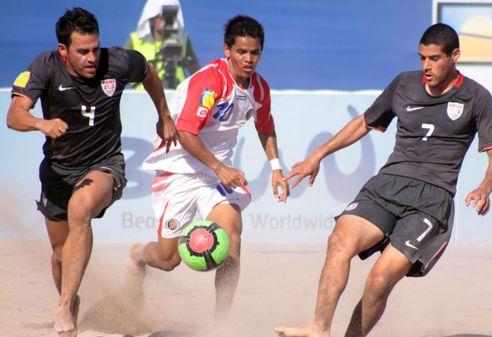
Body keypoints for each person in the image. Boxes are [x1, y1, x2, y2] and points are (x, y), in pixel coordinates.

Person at [274, 23, 492, 337]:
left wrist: (485, 187)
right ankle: (318, 326)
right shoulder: (404, 84)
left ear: (455, 56)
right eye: (423, 57)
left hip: (431, 201)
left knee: (380, 279)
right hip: (387, 185)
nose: (426, 66)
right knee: (338, 242)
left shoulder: (477, 97)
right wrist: (318, 155)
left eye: (435, 59)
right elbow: (364, 123)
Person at [6, 7, 177, 336]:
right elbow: (14, 116)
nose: (91, 57)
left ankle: (64, 306)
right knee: (59, 253)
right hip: (57, 171)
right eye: (82, 51)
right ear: (63, 51)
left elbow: (149, 72)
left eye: (95, 48)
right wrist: (41, 123)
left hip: (104, 164)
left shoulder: (117, 62)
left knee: (80, 208)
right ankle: (72, 300)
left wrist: (165, 115)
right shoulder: (45, 67)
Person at [128, 15, 289, 322]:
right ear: (227, 50)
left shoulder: (260, 88)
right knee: (168, 259)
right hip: (178, 171)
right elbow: (186, 132)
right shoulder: (210, 81)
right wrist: (220, 167)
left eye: (254, 53)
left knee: (232, 240)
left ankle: (221, 324)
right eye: (242, 52)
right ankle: (137, 254)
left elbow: (265, 126)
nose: (249, 59)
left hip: (216, 175)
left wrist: (276, 168)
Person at [125, 0, 200, 89]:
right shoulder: (135, 40)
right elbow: (121, 72)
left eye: (170, 18)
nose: (167, 21)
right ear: (152, 18)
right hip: (143, 97)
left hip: (177, 96)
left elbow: (196, 72)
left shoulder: (182, 39)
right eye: (162, 17)